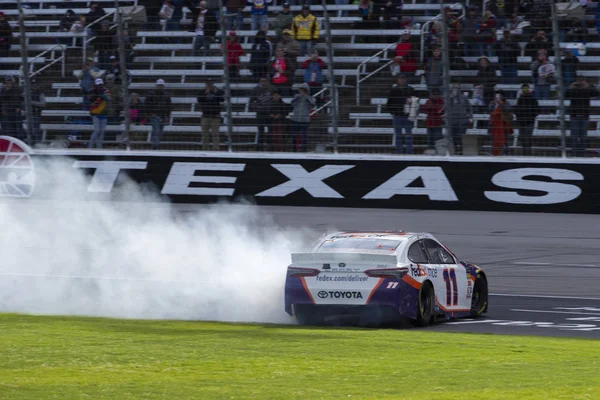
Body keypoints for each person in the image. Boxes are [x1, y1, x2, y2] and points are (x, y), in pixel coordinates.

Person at [565, 74, 600, 157]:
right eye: (578, 80)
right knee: (574, 136)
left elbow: (597, 93)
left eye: (582, 80)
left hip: (585, 115)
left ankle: (582, 153)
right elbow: (564, 95)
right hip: (574, 115)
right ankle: (574, 153)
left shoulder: (588, 90)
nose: (580, 82)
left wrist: (588, 86)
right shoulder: (572, 90)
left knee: (583, 136)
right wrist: (570, 87)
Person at [384, 74, 416, 154]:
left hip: (408, 116)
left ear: (406, 80)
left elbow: (415, 102)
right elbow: (389, 103)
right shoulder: (393, 90)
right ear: (398, 80)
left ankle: (409, 152)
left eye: (404, 79)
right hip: (397, 115)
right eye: (401, 79)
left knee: (408, 134)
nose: (402, 80)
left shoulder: (411, 90)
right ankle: (399, 151)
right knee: (398, 135)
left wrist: (412, 112)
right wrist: (393, 112)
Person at [144, 79, 173, 150]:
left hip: (163, 115)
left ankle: (156, 143)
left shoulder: (167, 95)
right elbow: (146, 104)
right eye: (159, 85)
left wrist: (167, 116)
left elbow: (169, 106)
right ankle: (156, 145)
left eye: (161, 85)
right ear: (156, 85)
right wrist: (150, 113)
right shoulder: (150, 94)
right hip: (155, 115)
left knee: (160, 131)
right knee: (156, 130)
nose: (160, 87)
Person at [197, 79, 224, 151]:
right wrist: (205, 93)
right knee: (205, 134)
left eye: (210, 83)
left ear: (213, 83)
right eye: (207, 83)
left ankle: (215, 149)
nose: (209, 85)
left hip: (215, 116)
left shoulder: (218, 91)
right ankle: (205, 148)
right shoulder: (202, 92)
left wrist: (216, 92)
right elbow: (199, 100)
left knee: (215, 134)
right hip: (205, 116)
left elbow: (222, 99)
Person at [515, 83, 539, 156]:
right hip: (521, 122)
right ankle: (524, 154)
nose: (525, 90)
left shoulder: (532, 99)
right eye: (523, 88)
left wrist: (531, 117)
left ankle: (528, 154)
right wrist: (519, 117)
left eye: (526, 88)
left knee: (528, 139)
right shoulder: (520, 99)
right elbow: (517, 110)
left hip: (529, 122)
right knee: (523, 139)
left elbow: (537, 110)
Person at [448, 83, 473, 155]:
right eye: (454, 88)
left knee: (461, 135)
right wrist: (451, 98)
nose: (456, 90)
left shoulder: (464, 98)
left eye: (457, 88)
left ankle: (462, 149)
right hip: (453, 119)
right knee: (453, 136)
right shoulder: (450, 98)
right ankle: (456, 149)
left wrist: (470, 117)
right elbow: (446, 107)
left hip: (462, 119)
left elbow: (469, 108)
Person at [290, 83, 316, 152]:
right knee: (294, 135)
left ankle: (304, 150)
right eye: (302, 89)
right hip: (295, 119)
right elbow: (292, 103)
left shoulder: (310, 98)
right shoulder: (296, 96)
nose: (303, 91)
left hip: (305, 120)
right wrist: (299, 97)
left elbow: (312, 105)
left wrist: (306, 97)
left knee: (303, 135)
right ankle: (294, 149)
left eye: (305, 90)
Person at [249, 77, 273, 150]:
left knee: (271, 130)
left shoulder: (272, 88)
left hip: (270, 113)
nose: (263, 82)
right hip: (260, 113)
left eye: (265, 81)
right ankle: (260, 147)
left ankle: (270, 146)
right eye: (261, 81)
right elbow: (251, 101)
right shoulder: (255, 89)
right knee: (261, 130)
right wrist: (257, 107)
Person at [88, 78, 111, 149]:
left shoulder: (106, 91)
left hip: (104, 113)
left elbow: (109, 98)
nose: (99, 86)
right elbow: (90, 99)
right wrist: (96, 94)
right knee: (96, 130)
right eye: (98, 84)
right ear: (95, 85)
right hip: (95, 114)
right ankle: (90, 147)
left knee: (101, 132)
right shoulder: (92, 91)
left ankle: (99, 147)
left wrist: (103, 95)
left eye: (100, 84)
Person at [489, 91, 513, 156]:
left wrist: (501, 104)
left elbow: (508, 109)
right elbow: (489, 110)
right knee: (494, 140)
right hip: (494, 125)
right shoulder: (492, 103)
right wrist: (495, 104)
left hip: (504, 125)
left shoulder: (505, 103)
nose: (497, 98)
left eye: (499, 97)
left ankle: (505, 153)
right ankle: (495, 152)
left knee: (504, 140)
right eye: (496, 97)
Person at [0, 76, 23, 140]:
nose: (9, 82)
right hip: (7, 110)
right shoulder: (3, 89)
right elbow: (2, 99)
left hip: (15, 110)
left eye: (10, 80)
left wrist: (18, 107)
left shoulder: (17, 88)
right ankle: (12, 139)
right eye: (7, 80)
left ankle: (19, 140)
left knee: (18, 126)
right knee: (9, 127)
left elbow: (20, 98)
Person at [422, 88, 444, 153]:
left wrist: (433, 107)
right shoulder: (428, 101)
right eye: (434, 94)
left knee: (438, 139)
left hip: (438, 123)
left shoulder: (441, 101)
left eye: (437, 94)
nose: (435, 96)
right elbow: (425, 110)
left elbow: (440, 111)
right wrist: (430, 106)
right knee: (430, 139)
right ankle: (430, 152)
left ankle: (440, 151)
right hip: (430, 122)